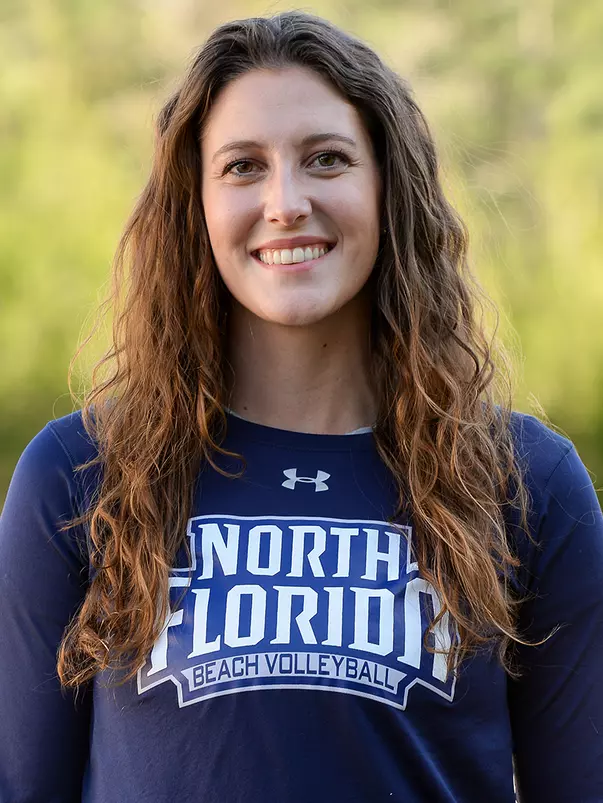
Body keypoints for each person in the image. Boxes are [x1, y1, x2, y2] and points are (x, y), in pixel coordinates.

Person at [0, 10, 602, 803]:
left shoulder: (525, 482)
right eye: (242, 166)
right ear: (195, 204)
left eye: (326, 159)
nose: (285, 202)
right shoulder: (79, 475)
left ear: (387, 189)